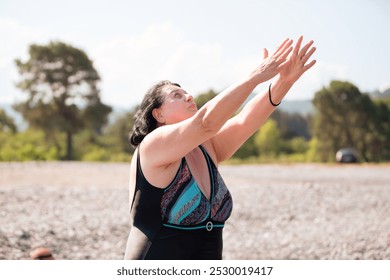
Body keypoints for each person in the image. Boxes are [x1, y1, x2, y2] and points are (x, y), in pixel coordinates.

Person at [124, 36, 316, 260]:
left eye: (186, 92)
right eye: (177, 95)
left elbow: (245, 120)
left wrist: (285, 81)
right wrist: (255, 76)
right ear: (158, 114)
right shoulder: (153, 145)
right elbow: (205, 123)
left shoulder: (206, 147)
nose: (188, 96)